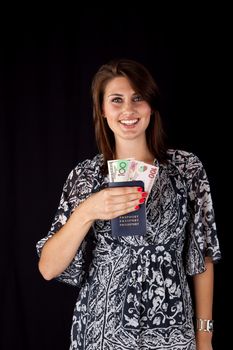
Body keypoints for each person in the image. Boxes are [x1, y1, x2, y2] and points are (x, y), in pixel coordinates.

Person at [36, 58, 221, 350]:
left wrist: (205, 336)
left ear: (151, 104)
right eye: (116, 100)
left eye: (138, 98)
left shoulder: (187, 169)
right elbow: (48, 268)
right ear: (103, 111)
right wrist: (88, 211)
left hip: (173, 336)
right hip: (100, 335)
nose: (128, 110)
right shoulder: (85, 177)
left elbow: (203, 257)